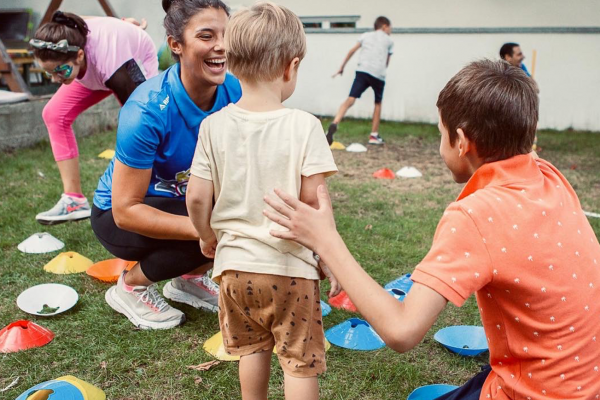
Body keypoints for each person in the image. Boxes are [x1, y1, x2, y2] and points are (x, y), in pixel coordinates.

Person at [264, 60, 600, 399]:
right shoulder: (550, 177)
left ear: (461, 142)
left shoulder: (476, 216)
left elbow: (401, 330)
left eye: (441, 133)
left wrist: (326, 239)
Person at [186, 3, 340, 399]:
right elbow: (315, 204)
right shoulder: (305, 126)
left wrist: (206, 236)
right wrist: (329, 255)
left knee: (252, 350)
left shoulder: (212, 126)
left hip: (234, 271)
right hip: (291, 272)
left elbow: (198, 196)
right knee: (298, 362)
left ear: (232, 63)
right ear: (290, 67)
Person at [90, 0, 241, 330]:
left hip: (183, 198)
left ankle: (187, 280)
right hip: (119, 215)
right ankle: (130, 286)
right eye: (206, 36)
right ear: (176, 44)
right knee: (219, 229)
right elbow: (125, 210)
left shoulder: (234, 89)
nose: (221, 46)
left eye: (226, 35)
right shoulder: (146, 109)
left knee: (230, 216)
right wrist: (207, 228)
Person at [30, 11, 158, 225]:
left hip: (128, 61)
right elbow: (85, 21)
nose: (54, 79)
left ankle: (156, 188)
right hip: (93, 71)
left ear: (79, 55)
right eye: (48, 73)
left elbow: (140, 117)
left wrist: (126, 30)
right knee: (54, 114)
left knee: (142, 123)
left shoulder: (113, 61)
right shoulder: (70, 34)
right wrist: (123, 23)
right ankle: (74, 201)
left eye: (59, 71)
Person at [326, 16, 393, 146]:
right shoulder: (389, 41)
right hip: (378, 75)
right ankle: (374, 135)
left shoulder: (366, 35)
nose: (391, 30)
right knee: (378, 103)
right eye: (390, 28)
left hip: (362, 71)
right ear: (384, 26)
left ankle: (335, 122)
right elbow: (387, 62)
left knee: (351, 98)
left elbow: (352, 51)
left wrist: (342, 67)